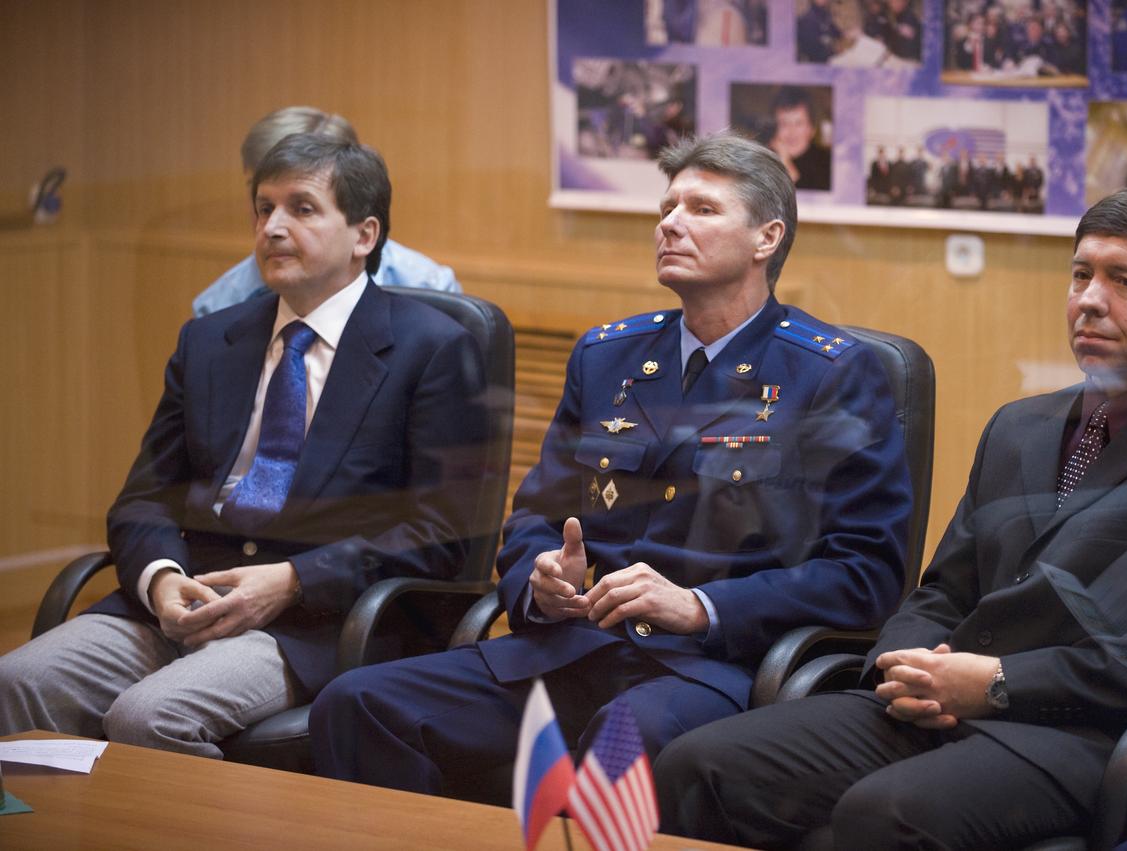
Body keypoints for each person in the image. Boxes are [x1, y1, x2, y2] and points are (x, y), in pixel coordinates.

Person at [655, 186, 1127, 848]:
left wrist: (1001, 683)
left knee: (886, 813)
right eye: (1081, 275)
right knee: (696, 767)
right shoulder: (1020, 426)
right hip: (942, 699)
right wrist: (904, 664)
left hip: (1090, 736)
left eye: (1125, 282)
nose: (1090, 300)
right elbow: (945, 588)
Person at [308, 132, 912, 796]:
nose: (671, 224)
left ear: (766, 239)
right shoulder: (607, 356)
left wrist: (701, 606)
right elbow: (535, 519)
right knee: (358, 704)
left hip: (713, 667)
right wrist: (541, 581)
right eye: (667, 207)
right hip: (576, 646)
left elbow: (867, 570)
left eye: (702, 209)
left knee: (621, 740)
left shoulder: (829, 373)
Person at [0, 135, 489, 758]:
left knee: (148, 717)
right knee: (16, 680)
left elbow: (441, 533)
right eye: (263, 209)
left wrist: (293, 580)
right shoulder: (210, 340)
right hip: (186, 595)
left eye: (302, 208)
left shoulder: (434, 348)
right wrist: (160, 579)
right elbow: (145, 497)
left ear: (364, 235)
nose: (272, 228)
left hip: (319, 621)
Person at [192, 106, 459, 318]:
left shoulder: (430, 288)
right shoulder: (218, 306)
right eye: (264, 203)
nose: (272, 226)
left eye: (303, 207)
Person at [766, 87, 832, 191]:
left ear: (812, 129)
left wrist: (787, 164)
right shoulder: (765, 160)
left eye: (799, 123)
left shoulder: (827, 163)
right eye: (784, 123)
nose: (791, 131)